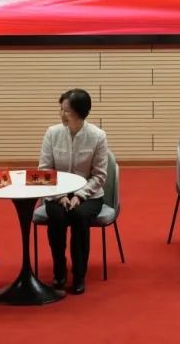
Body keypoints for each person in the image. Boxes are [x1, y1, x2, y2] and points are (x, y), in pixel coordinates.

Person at [38, 88, 109, 295]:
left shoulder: (98, 136)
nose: (62, 114)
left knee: (79, 217)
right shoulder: (52, 133)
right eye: (61, 109)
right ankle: (59, 272)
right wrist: (60, 196)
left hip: (88, 194)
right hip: (56, 192)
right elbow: (44, 171)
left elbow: (99, 176)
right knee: (57, 217)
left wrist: (79, 195)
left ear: (80, 113)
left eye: (67, 111)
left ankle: (79, 275)